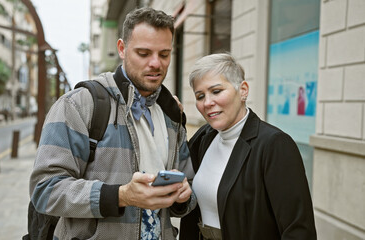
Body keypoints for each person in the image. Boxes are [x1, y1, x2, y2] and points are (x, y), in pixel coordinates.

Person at [29, 7, 196, 240]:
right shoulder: (79, 105)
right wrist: (121, 195)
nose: (156, 64)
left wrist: (184, 197)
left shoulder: (172, 114)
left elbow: (188, 188)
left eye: (164, 54)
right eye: (144, 53)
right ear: (122, 48)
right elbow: (45, 190)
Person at [179, 53, 316, 240]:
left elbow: (298, 230)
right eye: (200, 96)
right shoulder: (204, 138)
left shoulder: (274, 145)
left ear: (243, 90)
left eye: (216, 91)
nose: (208, 102)